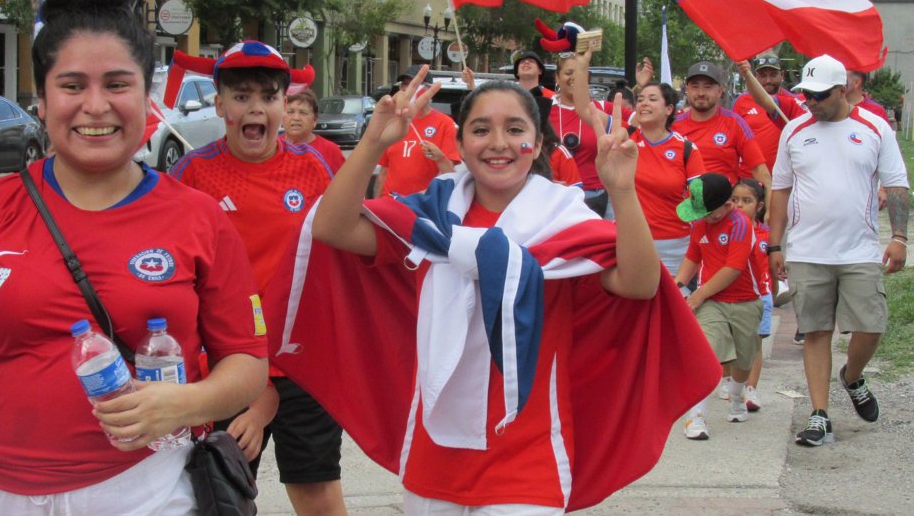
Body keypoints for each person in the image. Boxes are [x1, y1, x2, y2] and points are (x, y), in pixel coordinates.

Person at [274, 63, 718, 513]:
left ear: (538, 143)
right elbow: (332, 228)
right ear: (461, 145)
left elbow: (641, 286)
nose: (499, 143)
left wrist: (622, 191)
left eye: (515, 129)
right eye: (481, 129)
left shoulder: (563, 221)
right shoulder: (429, 218)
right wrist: (373, 142)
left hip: (529, 461)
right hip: (434, 456)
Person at [0, 0, 268, 512]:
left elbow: (247, 363)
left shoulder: (199, 217)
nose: (95, 106)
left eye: (117, 85)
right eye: (72, 86)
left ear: (149, 100)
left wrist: (184, 403)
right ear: (42, 101)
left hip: (148, 487)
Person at [169, 41, 346, 515]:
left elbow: (340, 265)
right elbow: (179, 292)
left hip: (304, 366)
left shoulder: (317, 168)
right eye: (241, 96)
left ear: (283, 106)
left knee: (317, 495)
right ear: (219, 104)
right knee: (217, 497)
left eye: (268, 97)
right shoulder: (190, 177)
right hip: (224, 366)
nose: (255, 108)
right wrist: (243, 382)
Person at [768, 55, 909, 448]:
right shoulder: (795, 131)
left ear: (843, 89)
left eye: (819, 95)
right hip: (808, 250)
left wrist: (899, 237)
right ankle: (820, 415)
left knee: (871, 325)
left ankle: (852, 376)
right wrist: (775, 244)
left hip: (859, 249)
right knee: (815, 331)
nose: (810, 101)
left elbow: (897, 185)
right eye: (805, 94)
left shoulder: (874, 128)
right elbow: (779, 190)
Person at [673, 173, 766, 440]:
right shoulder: (701, 224)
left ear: (727, 206)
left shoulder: (740, 224)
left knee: (744, 359)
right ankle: (694, 417)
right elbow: (693, 257)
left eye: (708, 213)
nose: (702, 218)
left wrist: (697, 295)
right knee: (708, 354)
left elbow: (733, 269)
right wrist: (678, 284)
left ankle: (737, 396)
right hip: (713, 302)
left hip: (746, 300)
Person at [631, 82, 706, 275]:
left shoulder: (686, 149)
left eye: (652, 99)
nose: (644, 104)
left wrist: (674, 220)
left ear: (669, 109)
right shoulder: (626, 142)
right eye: (640, 99)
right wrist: (582, 64)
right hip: (631, 241)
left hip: (675, 248)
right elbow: (583, 109)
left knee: (672, 302)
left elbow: (700, 202)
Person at [548, 49, 632, 217]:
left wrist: (642, 87)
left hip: (601, 194)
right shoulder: (544, 111)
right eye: (569, 72)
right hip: (559, 196)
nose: (574, 77)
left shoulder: (602, 108)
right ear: (557, 77)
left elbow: (645, 121)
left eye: (580, 72)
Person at [673, 61, 770, 189]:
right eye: (695, 87)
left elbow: (759, 170)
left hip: (724, 205)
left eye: (708, 87)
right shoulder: (673, 125)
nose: (701, 93)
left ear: (719, 91)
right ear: (687, 90)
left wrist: (769, 208)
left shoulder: (734, 123)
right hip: (683, 205)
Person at [373, 65, 461, 198]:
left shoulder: (445, 124)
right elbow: (383, 172)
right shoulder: (393, 123)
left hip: (423, 205)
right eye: (404, 84)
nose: (407, 89)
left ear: (429, 90)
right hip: (390, 203)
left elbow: (450, 175)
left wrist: (440, 157)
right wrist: (376, 205)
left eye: (415, 84)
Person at [731, 178, 776, 412]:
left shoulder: (766, 235)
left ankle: (751, 388)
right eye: (735, 200)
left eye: (746, 201)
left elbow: (773, 266)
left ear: (759, 206)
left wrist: (776, 292)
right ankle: (733, 380)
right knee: (733, 342)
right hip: (732, 297)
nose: (739, 205)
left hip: (761, 296)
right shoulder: (725, 230)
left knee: (755, 344)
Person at [732, 54, 807, 176]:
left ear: (782, 75)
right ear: (755, 76)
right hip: (749, 179)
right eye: (763, 75)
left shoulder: (794, 102)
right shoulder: (741, 101)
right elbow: (733, 138)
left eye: (773, 75)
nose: (768, 80)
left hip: (784, 178)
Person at [283, 89, 346, 173]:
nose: (296, 118)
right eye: (290, 112)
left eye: (303, 113)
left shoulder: (331, 151)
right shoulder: (272, 148)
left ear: (315, 119)